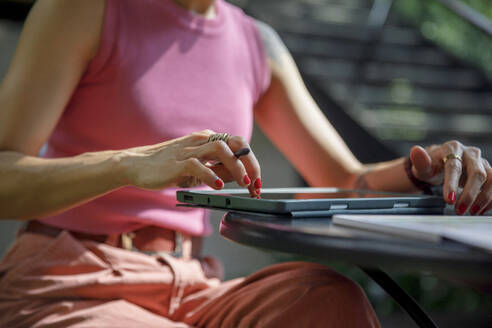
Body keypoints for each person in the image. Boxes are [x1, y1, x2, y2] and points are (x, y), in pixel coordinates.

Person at [0, 0, 490, 327]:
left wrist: (419, 170)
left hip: (192, 283)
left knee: (327, 301)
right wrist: (130, 164)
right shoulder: (86, 9)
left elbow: (343, 179)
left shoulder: (257, 42)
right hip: (69, 281)